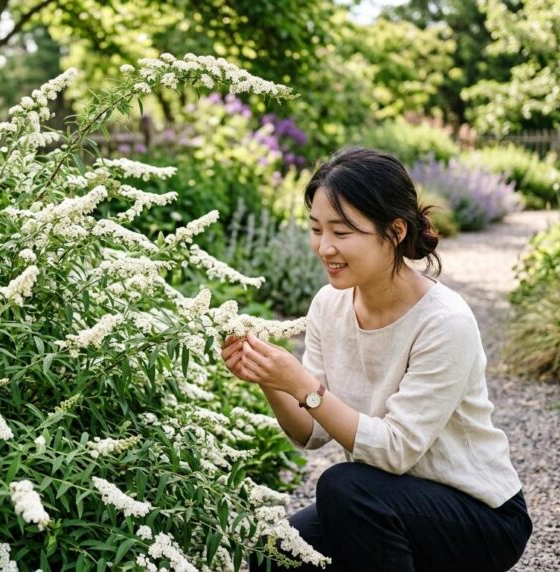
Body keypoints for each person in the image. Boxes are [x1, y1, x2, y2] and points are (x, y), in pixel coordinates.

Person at [221, 147, 532, 571]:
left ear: (395, 231)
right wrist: (269, 378)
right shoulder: (329, 305)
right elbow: (311, 432)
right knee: (275, 552)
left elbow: (395, 450)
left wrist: (302, 385)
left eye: (342, 232)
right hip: (383, 500)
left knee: (344, 487)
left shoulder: (445, 322)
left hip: (479, 514)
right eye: (316, 229)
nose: (324, 247)